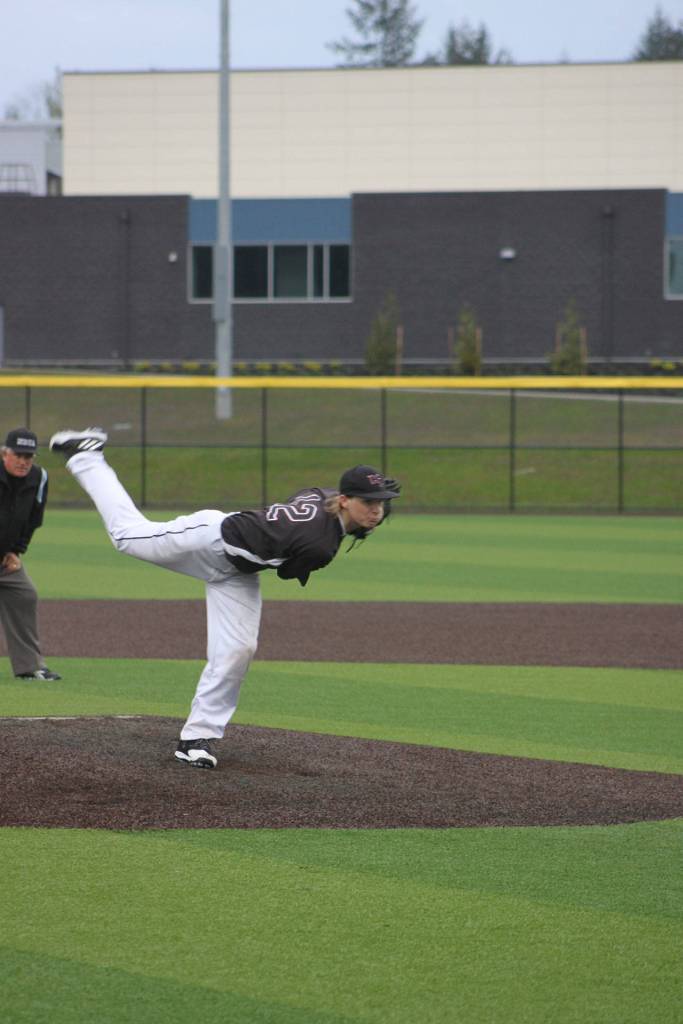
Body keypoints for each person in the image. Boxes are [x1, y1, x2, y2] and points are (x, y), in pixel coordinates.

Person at [49, 427, 401, 770]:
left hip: (237, 572)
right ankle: (86, 454)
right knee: (126, 535)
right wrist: (358, 528)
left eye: (381, 503)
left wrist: (363, 517)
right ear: (343, 500)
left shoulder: (320, 496)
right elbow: (288, 571)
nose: (376, 510)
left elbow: (307, 494)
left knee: (238, 649)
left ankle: (196, 739)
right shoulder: (320, 546)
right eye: (368, 502)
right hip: (208, 540)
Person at [0, 428, 61, 681]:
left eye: (29, 456)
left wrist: (16, 551)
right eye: (18, 455)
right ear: (5, 453)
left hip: (4, 558)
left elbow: (33, 519)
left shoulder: (39, 478)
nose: (24, 461)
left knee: (24, 594)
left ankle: (29, 666)